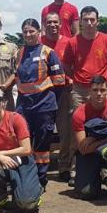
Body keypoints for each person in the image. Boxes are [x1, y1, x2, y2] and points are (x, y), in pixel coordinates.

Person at [61, 6, 107, 183]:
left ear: (97, 20)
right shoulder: (73, 42)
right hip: (80, 90)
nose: (89, 23)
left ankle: (103, 168)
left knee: (104, 127)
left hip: (101, 89)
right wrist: (80, 81)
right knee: (77, 129)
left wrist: (104, 85)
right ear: (80, 20)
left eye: (92, 19)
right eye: (85, 19)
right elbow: (66, 67)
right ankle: (75, 168)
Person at [15, 18, 65, 188]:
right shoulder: (19, 53)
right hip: (24, 106)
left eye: (31, 31)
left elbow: (59, 82)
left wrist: (49, 102)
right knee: (23, 141)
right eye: (25, 32)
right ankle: (26, 177)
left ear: (39, 32)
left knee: (43, 145)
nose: (28, 35)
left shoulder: (48, 52)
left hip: (44, 106)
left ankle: (41, 179)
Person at [0, 87, 41, 213]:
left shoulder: (16, 118)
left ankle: (34, 190)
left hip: (23, 160)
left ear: (4, 102)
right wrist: (0, 158)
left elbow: (27, 149)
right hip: (3, 163)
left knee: (27, 206)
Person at [41, 11, 76, 180]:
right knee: (43, 131)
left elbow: (74, 65)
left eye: (56, 22)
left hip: (63, 92)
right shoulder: (38, 42)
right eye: (49, 22)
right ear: (44, 24)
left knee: (65, 131)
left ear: (61, 24)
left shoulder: (69, 42)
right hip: (43, 94)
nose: (53, 25)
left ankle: (64, 165)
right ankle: (40, 165)